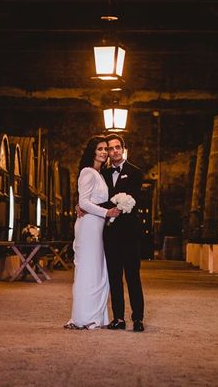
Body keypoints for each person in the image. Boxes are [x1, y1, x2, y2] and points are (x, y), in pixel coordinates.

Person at [64, 136, 120, 330]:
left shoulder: (100, 174)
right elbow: (85, 202)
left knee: (97, 270)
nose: (104, 152)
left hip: (98, 225)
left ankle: (96, 315)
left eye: (106, 149)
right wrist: (107, 212)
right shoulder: (87, 172)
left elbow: (91, 201)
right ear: (92, 152)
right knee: (88, 270)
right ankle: (82, 317)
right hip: (88, 226)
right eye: (100, 149)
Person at [101, 134, 145, 332]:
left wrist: (121, 205)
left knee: (133, 277)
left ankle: (138, 319)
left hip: (130, 233)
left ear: (123, 149)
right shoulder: (103, 174)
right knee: (114, 277)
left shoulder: (135, 172)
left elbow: (135, 201)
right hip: (110, 233)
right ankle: (118, 318)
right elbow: (99, 200)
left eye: (118, 147)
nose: (114, 151)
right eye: (110, 149)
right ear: (108, 152)